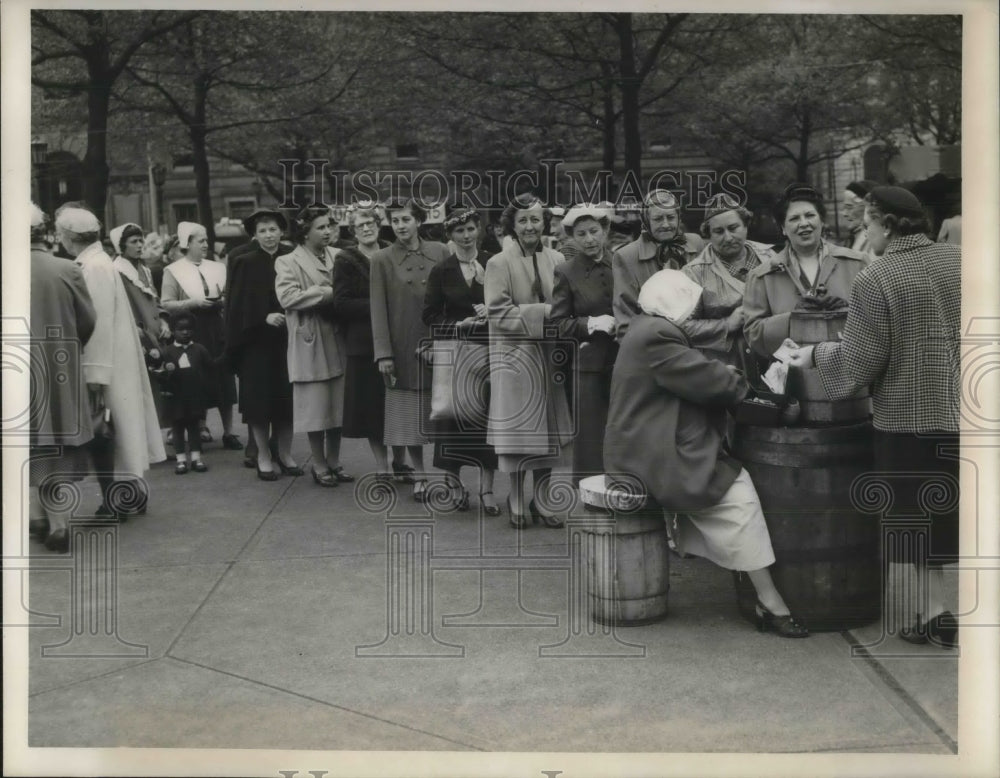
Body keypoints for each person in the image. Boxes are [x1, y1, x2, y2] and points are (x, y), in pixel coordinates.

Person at [787, 186, 960, 648]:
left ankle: (935, 612)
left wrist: (815, 354)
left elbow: (862, 361)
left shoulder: (876, 278)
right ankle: (937, 612)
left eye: (867, 224)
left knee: (911, 520)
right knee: (941, 515)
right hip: (958, 412)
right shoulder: (958, 262)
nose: (866, 232)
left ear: (885, 224)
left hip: (903, 416)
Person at [604, 269, 808, 638]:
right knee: (737, 493)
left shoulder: (644, 328)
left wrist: (718, 372)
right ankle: (770, 600)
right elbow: (707, 380)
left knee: (728, 485)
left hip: (639, 444)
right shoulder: (657, 335)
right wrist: (743, 384)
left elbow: (687, 371)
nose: (695, 309)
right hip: (651, 451)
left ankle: (761, 591)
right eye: (691, 302)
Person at [54, 206, 166, 518]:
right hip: (113, 361)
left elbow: (98, 323)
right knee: (118, 431)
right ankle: (128, 495)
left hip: (107, 363)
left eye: (62, 234)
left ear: (70, 236)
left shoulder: (94, 267)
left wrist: (95, 375)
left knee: (109, 433)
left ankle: (119, 499)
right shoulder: (97, 262)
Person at [484, 194, 573, 528]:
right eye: (523, 220)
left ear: (544, 222)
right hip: (515, 359)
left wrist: (560, 318)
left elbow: (568, 302)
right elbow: (497, 313)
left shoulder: (557, 258)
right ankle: (517, 498)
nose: (530, 226)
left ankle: (544, 499)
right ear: (512, 225)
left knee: (548, 435)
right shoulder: (498, 263)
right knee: (520, 434)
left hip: (550, 359)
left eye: (536, 219)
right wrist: (549, 314)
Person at [422, 206, 501, 514]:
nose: (466, 236)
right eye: (459, 231)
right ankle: (454, 483)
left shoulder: (493, 263)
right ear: (450, 235)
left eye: (470, 229)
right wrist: (457, 325)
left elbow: (510, 302)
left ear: (478, 230)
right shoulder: (441, 271)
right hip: (455, 352)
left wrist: (491, 310)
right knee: (452, 420)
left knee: (487, 421)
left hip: (490, 350)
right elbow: (429, 315)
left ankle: (487, 489)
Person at [370, 199, 450, 501]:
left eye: (406, 219)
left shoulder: (440, 251)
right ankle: (420, 474)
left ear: (419, 220)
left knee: (446, 409)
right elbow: (378, 308)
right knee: (409, 414)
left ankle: (450, 475)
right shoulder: (381, 259)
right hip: (403, 347)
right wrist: (384, 353)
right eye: (395, 220)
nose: (401, 226)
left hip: (440, 342)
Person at [28, 203, 97, 553]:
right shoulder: (67, 269)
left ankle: (37, 515)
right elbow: (87, 320)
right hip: (59, 367)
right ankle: (58, 521)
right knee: (58, 442)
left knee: (27, 444)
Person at [332, 204, 416, 484]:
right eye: (359, 225)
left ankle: (401, 461)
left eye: (370, 223)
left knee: (399, 403)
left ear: (379, 225)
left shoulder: (393, 252)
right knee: (372, 408)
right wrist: (380, 304)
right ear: (352, 230)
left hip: (398, 338)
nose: (366, 229)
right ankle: (382, 466)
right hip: (364, 344)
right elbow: (341, 303)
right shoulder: (346, 259)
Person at [743, 183, 870, 360]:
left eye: (810, 215)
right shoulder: (762, 276)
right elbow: (753, 335)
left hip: (848, 374)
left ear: (822, 221)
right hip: (794, 379)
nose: (804, 223)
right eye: (794, 218)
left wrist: (843, 314)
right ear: (783, 228)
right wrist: (792, 319)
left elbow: (876, 320)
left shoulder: (857, 263)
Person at [275, 205, 353, 486]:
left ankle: (334, 460)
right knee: (316, 408)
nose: (328, 231)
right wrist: (327, 293)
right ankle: (318, 464)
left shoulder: (339, 255)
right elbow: (287, 297)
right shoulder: (288, 261)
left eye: (329, 226)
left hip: (338, 336)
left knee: (338, 406)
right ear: (305, 233)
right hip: (310, 339)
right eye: (320, 227)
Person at [224, 208, 299, 479]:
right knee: (259, 402)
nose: (269, 235)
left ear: (282, 231)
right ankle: (264, 455)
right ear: (255, 235)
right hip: (255, 342)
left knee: (286, 400)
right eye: (262, 231)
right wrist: (261, 317)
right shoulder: (244, 262)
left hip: (288, 340)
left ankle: (285, 453)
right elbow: (235, 305)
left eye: (273, 229)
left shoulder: (292, 258)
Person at [549, 204, 618, 484]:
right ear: (571, 238)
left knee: (624, 427)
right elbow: (557, 324)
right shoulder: (566, 271)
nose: (589, 239)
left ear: (605, 231)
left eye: (594, 231)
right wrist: (590, 324)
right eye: (581, 234)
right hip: (588, 363)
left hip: (625, 359)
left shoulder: (621, 262)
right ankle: (593, 498)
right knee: (590, 435)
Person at [161, 221, 242, 450]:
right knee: (195, 379)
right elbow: (166, 303)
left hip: (216, 327)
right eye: (201, 241)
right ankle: (198, 427)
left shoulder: (216, 267)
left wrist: (223, 301)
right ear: (188, 244)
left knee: (224, 378)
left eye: (206, 240)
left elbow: (228, 294)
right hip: (192, 330)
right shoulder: (173, 271)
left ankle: (228, 431)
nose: (206, 244)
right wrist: (194, 302)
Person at [681, 193, 773, 367]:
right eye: (718, 231)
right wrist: (726, 324)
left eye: (733, 228)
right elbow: (680, 326)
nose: (728, 237)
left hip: (770, 362)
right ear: (708, 234)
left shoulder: (769, 258)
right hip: (724, 367)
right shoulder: (693, 273)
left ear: (746, 226)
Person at [612, 189, 689, 338]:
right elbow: (626, 320)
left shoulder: (694, 246)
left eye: (671, 217)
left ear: (679, 218)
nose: (666, 224)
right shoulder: (627, 257)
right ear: (646, 221)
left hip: (697, 342)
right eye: (658, 219)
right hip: (651, 345)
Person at [158, 311, 216, 474]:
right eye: (180, 329)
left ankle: (196, 458)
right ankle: (181, 460)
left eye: (189, 328)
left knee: (194, 428)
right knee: (177, 429)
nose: (185, 332)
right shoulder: (167, 352)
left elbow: (210, 367)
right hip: (176, 398)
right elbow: (160, 374)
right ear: (173, 330)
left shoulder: (199, 349)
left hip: (195, 396)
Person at [842, 180, 877, 254]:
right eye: (844, 207)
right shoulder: (852, 237)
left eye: (849, 207)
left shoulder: (875, 243)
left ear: (867, 208)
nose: (844, 213)